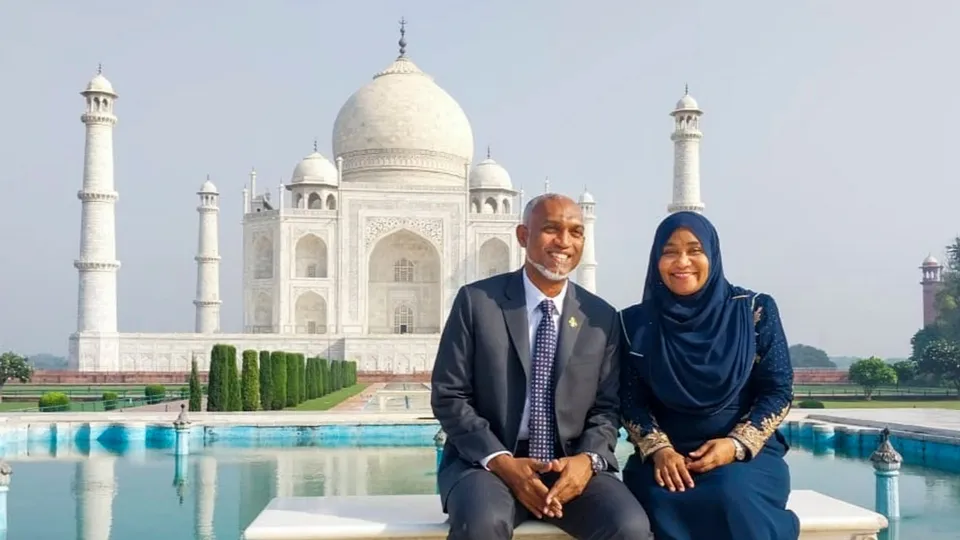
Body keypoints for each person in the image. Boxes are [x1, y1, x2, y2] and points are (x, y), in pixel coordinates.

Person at [431, 193, 653, 540]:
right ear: (523, 236)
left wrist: (588, 460)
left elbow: (607, 408)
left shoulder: (600, 317)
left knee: (630, 527)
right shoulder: (478, 303)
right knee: (483, 523)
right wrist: (502, 461)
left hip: (569, 465)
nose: (564, 242)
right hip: (488, 466)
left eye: (576, 232)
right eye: (551, 229)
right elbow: (450, 395)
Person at [618, 211, 800, 540]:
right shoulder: (634, 324)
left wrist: (735, 444)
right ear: (656, 259)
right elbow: (630, 402)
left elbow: (778, 391)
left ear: (712, 255)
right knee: (658, 502)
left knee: (732, 496)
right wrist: (660, 450)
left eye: (694, 250)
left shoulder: (753, 311)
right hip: (666, 460)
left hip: (745, 458)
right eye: (670, 251)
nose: (682, 261)